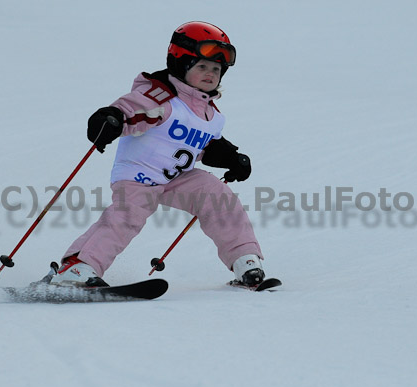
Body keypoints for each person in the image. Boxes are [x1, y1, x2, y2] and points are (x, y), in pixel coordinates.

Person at [52, 21, 265, 288]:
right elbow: (131, 110)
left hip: (177, 179)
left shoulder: (212, 114)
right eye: (201, 66)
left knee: (217, 196)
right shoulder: (159, 96)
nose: (210, 73)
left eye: (216, 69)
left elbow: (208, 147)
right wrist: (111, 118)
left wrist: (233, 159)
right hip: (138, 176)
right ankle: (77, 267)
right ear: (181, 63)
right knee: (127, 217)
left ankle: (245, 261)